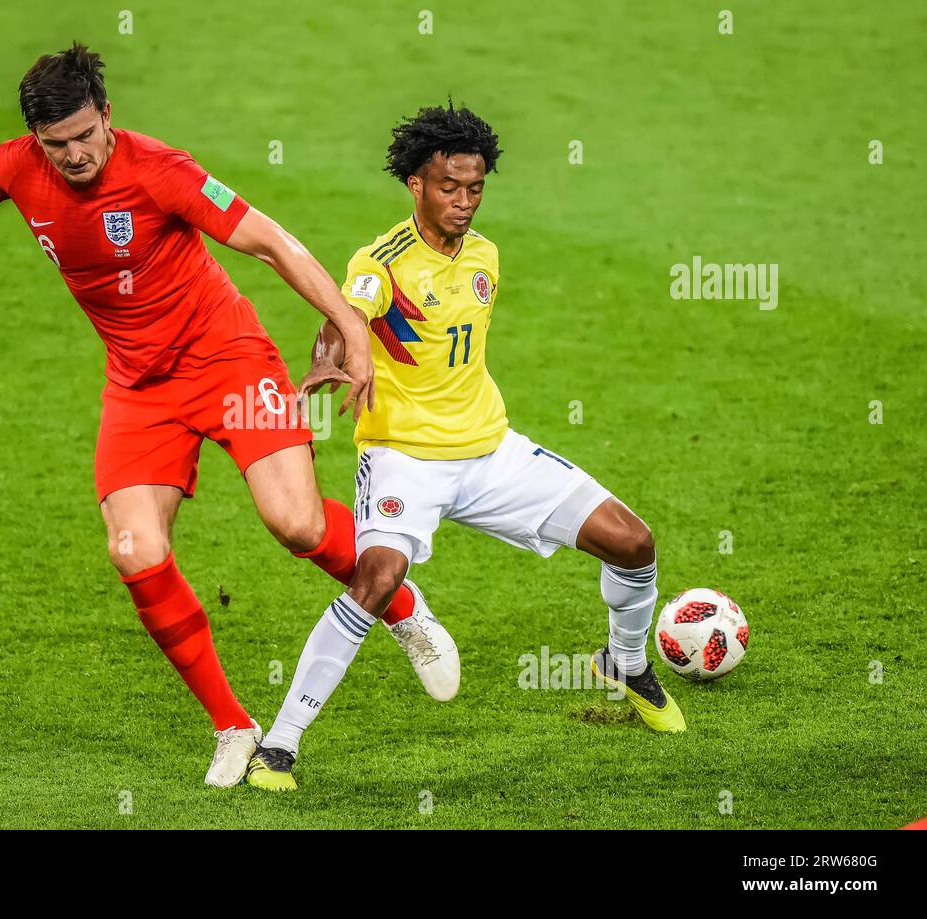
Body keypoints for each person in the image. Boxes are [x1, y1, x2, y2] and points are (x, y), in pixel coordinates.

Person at [0, 44, 459, 788]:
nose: (72, 155)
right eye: (55, 144)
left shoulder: (160, 169)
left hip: (227, 359)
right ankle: (233, 726)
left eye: (83, 136)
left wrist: (349, 327)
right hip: (140, 387)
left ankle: (399, 602)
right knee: (134, 549)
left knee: (294, 523)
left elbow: (269, 240)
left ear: (108, 116)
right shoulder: (15, 167)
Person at [248, 102, 685, 792]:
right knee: (378, 578)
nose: (463, 202)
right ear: (415, 185)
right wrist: (332, 354)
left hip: (491, 453)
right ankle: (279, 745)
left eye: (475, 188)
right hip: (403, 457)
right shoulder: (381, 260)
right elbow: (344, 315)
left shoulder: (485, 256)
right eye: (448, 187)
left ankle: (625, 661)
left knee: (633, 541)